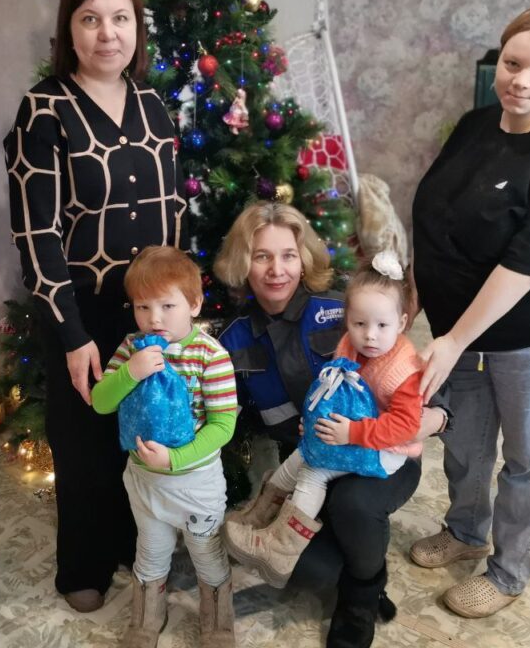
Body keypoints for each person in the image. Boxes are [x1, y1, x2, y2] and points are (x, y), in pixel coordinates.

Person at [3, 0, 185, 613]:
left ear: (137, 28)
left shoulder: (155, 107)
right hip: (79, 312)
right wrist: (72, 334)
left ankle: (139, 544)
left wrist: (178, 308)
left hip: (149, 312)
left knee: (143, 428)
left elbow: (173, 214)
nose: (107, 33)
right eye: (90, 19)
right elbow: (37, 234)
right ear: (69, 30)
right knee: (82, 442)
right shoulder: (44, 110)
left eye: (120, 18)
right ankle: (83, 562)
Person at [410, 4, 530, 618]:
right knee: (464, 441)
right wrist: (414, 297)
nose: (521, 80)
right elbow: (434, 219)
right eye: (512, 63)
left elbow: (527, 262)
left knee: (529, 457)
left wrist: (453, 340)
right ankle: (465, 532)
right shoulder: (475, 125)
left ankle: (509, 570)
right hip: (460, 332)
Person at [214, 201, 437, 648]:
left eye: (288, 255)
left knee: (353, 507)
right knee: (309, 568)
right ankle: (344, 560)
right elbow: (224, 414)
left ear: (304, 259)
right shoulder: (232, 337)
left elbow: (420, 385)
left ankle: (361, 599)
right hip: (309, 459)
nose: (276, 270)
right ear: (243, 262)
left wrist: (431, 418)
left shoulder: (344, 309)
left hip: (379, 454)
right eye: (261, 256)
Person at [223, 250, 423, 592]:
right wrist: (315, 422)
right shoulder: (348, 345)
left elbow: (406, 426)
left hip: (386, 451)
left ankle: (281, 548)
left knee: (314, 469)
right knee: (300, 456)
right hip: (348, 433)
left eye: (382, 326)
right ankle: (260, 516)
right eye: (359, 324)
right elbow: (332, 390)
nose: (370, 335)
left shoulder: (404, 370)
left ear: (402, 323)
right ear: (348, 320)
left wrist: (352, 432)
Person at [92, 246, 237, 648]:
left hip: (195, 483)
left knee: (207, 553)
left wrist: (175, 458)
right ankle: (146, 619)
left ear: (194, 304)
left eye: (167, 306)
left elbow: (223, 425)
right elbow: (101, 402)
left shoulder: (210, 355)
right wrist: (129, 372)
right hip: (145, 482)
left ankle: (218, 623)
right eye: (143, 307)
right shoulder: (131, 348)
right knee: (150, 551)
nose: (153, 319)